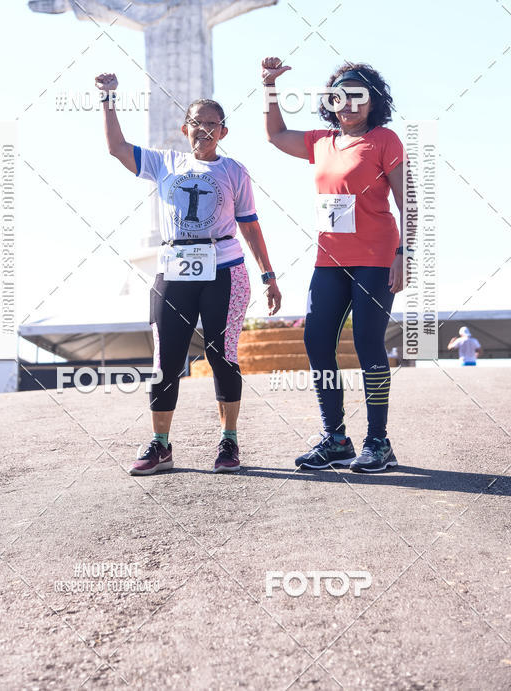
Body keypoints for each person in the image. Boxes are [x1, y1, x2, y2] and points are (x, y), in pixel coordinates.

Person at [96, 71, 282, 475]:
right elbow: (116, 147)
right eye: (197, 122)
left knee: (222, 355)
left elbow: (250, 225)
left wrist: (269, 275)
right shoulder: (166, 162)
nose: (204, 129)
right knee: (165, 359)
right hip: (174, 270)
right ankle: (160, 445)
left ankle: (229, 442)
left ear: (224, 131)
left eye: (212, 123)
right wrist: (109, 98)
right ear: (185, 129)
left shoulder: (234, 171)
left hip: (225, 270)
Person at [262, 56, 412, 473]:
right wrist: (269, 86)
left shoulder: (385, 140)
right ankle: (336, 439)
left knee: (367, 343)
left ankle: (378, 442)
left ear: (373, 102)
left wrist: (405, 254)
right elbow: (274, 134)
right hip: (328, 260)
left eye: (359, 97)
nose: (349, 104)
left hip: (377, 258)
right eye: (341, 96)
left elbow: (408, 204)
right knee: (316, 342)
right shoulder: (321, 141)